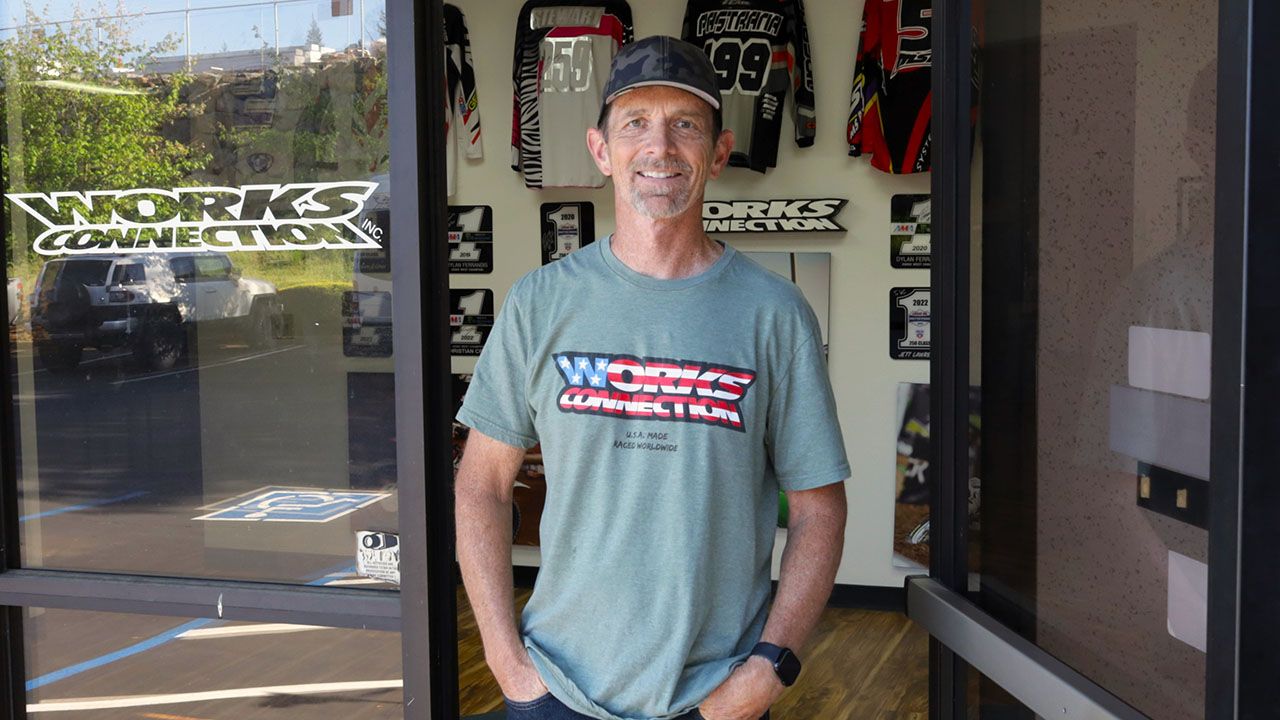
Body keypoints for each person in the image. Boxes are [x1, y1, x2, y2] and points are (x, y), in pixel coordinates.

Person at [455, 35, 850, 720]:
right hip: (556, 690)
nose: (659, 147)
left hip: (716, 697)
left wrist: (771, 665)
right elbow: (481, 486)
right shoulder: (539, 303)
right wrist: (504, 660)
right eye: (635, 123)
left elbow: (819, 508)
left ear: (719, 153)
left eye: (685, 125)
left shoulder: (774, 313)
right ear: (601, 150)